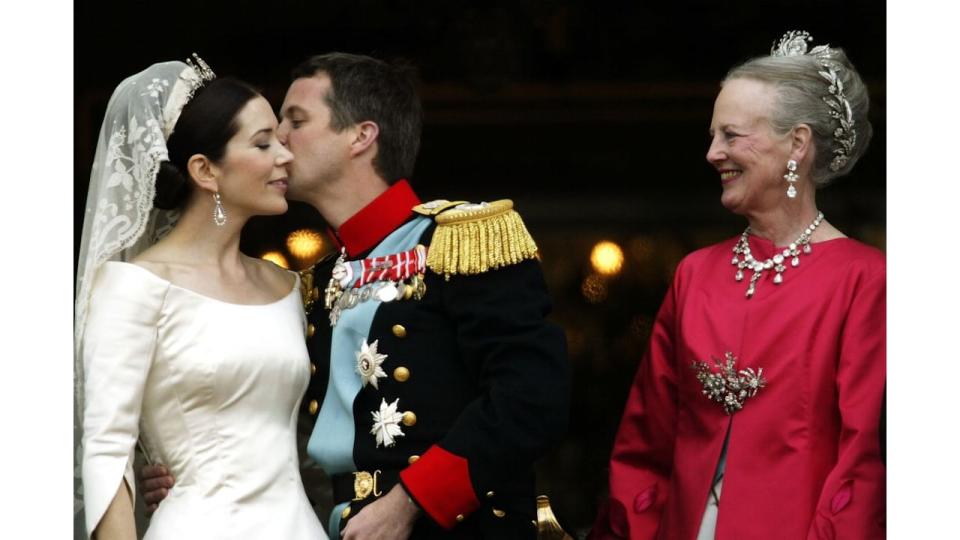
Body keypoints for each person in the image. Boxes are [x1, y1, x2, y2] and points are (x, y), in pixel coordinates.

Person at [144, 52, 572, 540]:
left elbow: (533, 396)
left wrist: (410, 503)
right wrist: (195, 475)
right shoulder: (315, 279)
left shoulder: (461, 240)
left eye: (296, 120)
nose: (278, 136)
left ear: (361, 136)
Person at [590, 31, 885, 539]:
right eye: (712, 136)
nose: (712, 153)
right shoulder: (695, 275)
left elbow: (861, 465)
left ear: (797, 143)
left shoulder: (866, 279)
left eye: (731, 135)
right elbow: (645, 443)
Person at [74, 57, 327, 539]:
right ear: (205, 170)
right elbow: (108, 451)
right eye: (262, 143)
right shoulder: (133, 287)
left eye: (280, 137)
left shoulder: (286, 286)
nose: (285, 156)